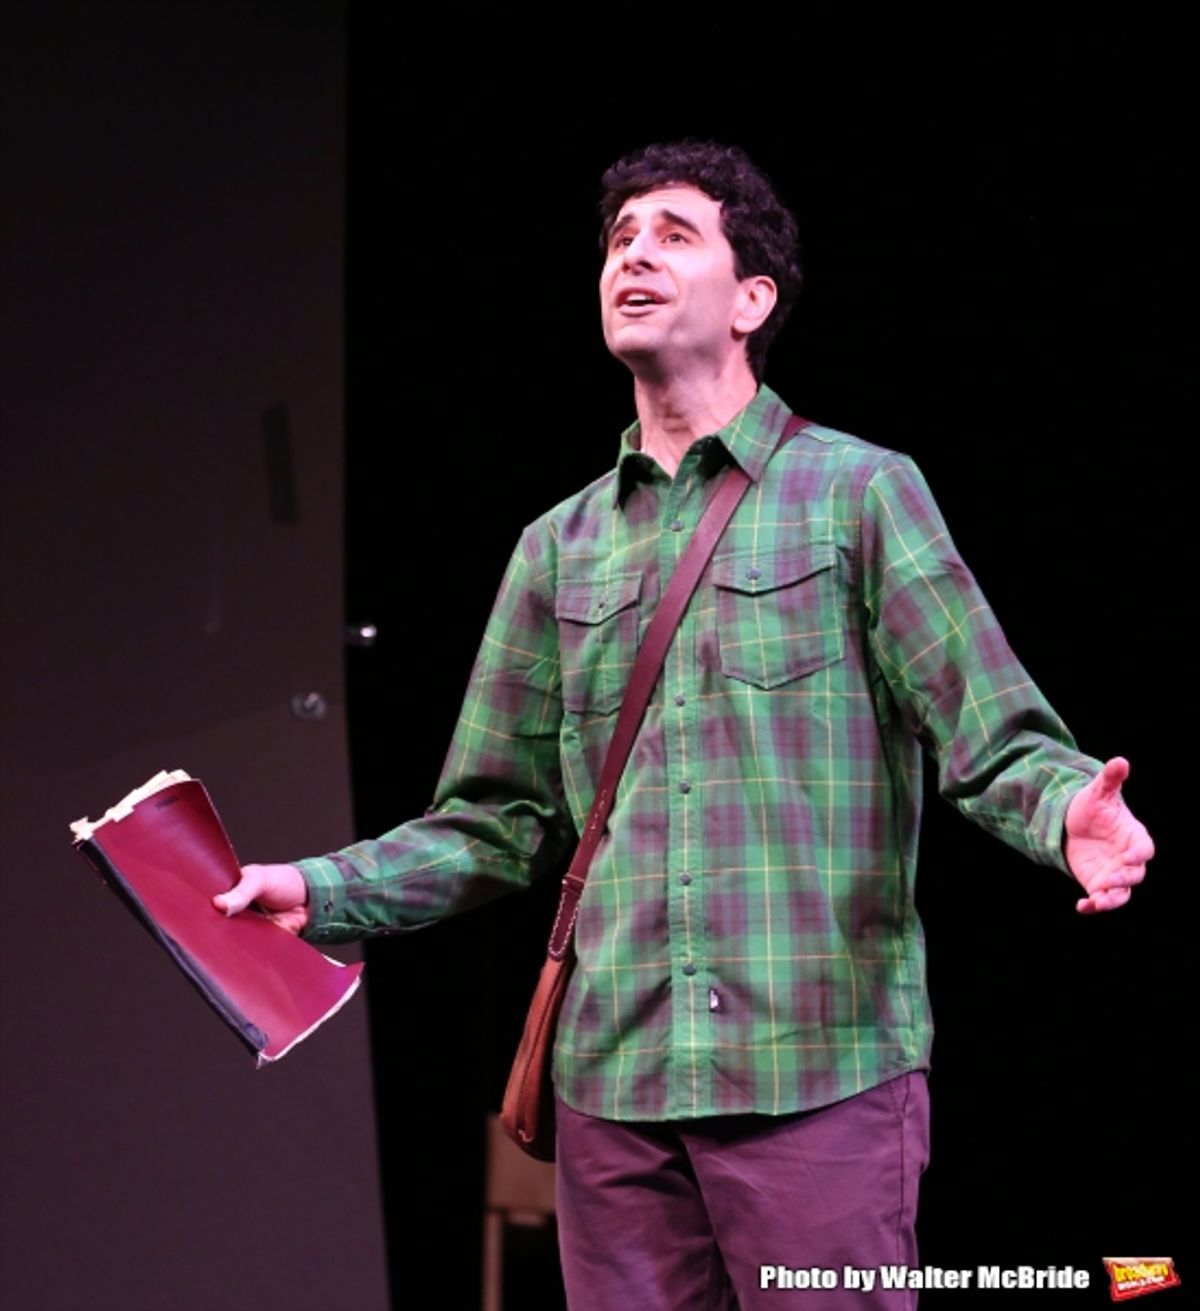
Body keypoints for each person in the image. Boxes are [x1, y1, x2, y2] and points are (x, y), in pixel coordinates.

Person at [215, 141, 1153, 1309]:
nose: (633, 258)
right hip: (614, 1093)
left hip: (816, 1074)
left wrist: (1068, 808)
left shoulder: (857, 492)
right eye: (617, 241)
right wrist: (323, 889)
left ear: (752, 298)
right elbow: (495, 820)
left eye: (672, 234)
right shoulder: (556, 549)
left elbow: (991, 730)